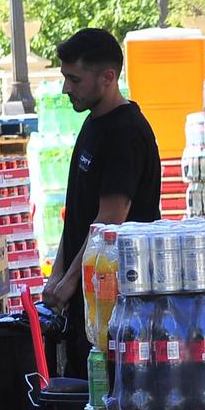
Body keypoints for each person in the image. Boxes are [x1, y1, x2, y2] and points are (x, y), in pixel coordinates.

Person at [43, 29, 162, 371]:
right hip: (90, 296)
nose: (67, 89)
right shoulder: (93, 123)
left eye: (74, 79)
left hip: (118, 301)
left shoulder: (125, 132)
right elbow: (80, 217)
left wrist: (69, 283)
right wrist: (58, 273)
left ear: (108, 77)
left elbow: (110, 219)